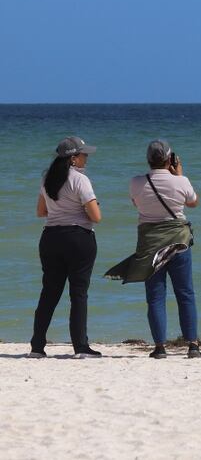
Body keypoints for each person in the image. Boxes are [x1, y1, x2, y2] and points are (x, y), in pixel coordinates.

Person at [107, 140, 200, 359]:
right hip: (179, 243)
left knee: (156, 296)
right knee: (185, 293)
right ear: (170, 159)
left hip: (150, 245)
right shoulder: (181, 181)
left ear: (149, 160)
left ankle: (159, 347)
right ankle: (193, 345)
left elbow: (137, 205)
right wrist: (178, 175)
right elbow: (194, 202)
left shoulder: (136, 182)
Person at [29, 136, 103, 358]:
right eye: (83, 154)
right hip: (78, 238)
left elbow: (41, 212)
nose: (86, 157)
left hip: (50, 237)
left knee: (49, 292)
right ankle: (80, 346)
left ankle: (37, 346)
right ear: (73, 159)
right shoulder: (80, 180)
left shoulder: (47, 179)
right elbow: (96, 217)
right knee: (78, 294)